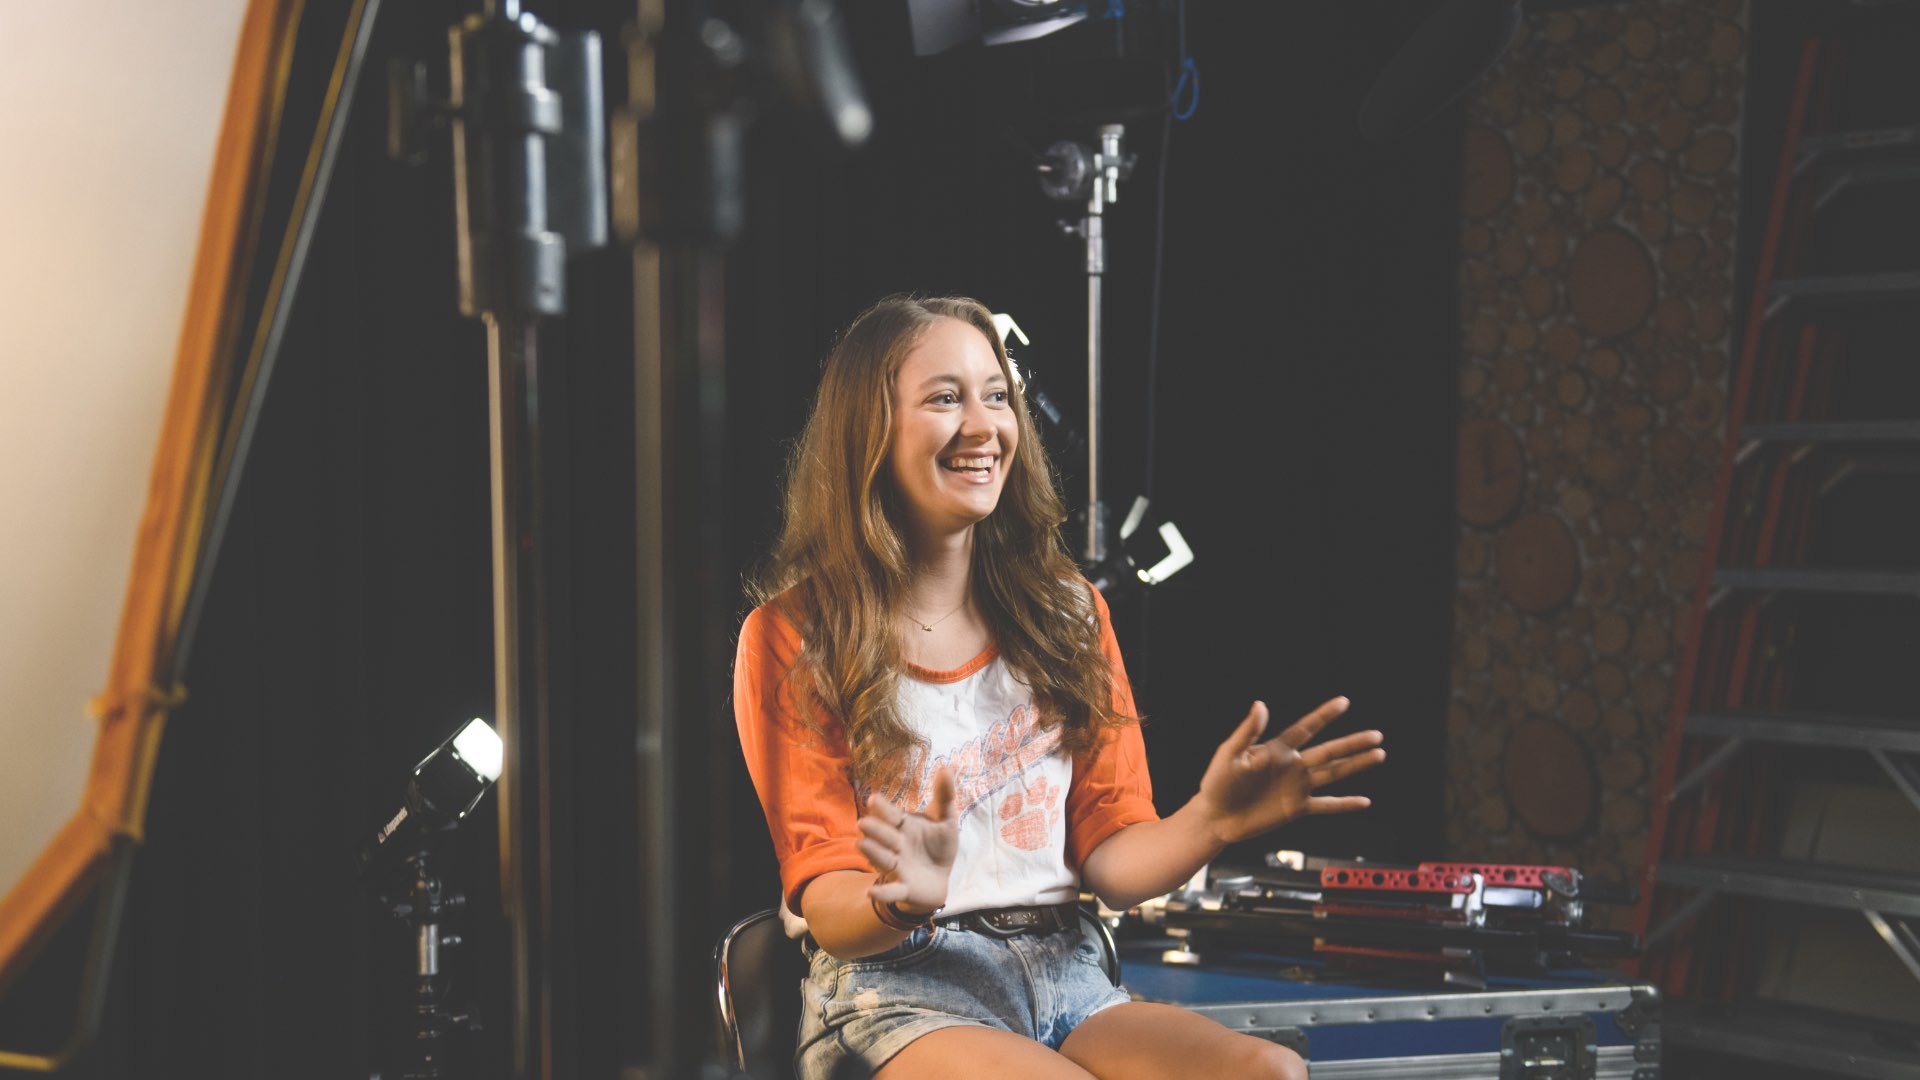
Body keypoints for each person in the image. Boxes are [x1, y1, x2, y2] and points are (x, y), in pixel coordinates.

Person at [734, 295, 1386, 1080]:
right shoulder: (792, 635)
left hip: (1069, 973)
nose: (983, 426)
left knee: (1270, 1074)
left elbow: (1113, 860)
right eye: (945, 398)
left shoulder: (1069, 613)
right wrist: (899, 899)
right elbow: (828, 895)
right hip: (896, 989)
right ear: (866, 431)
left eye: (997, 395)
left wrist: (1211, 822)